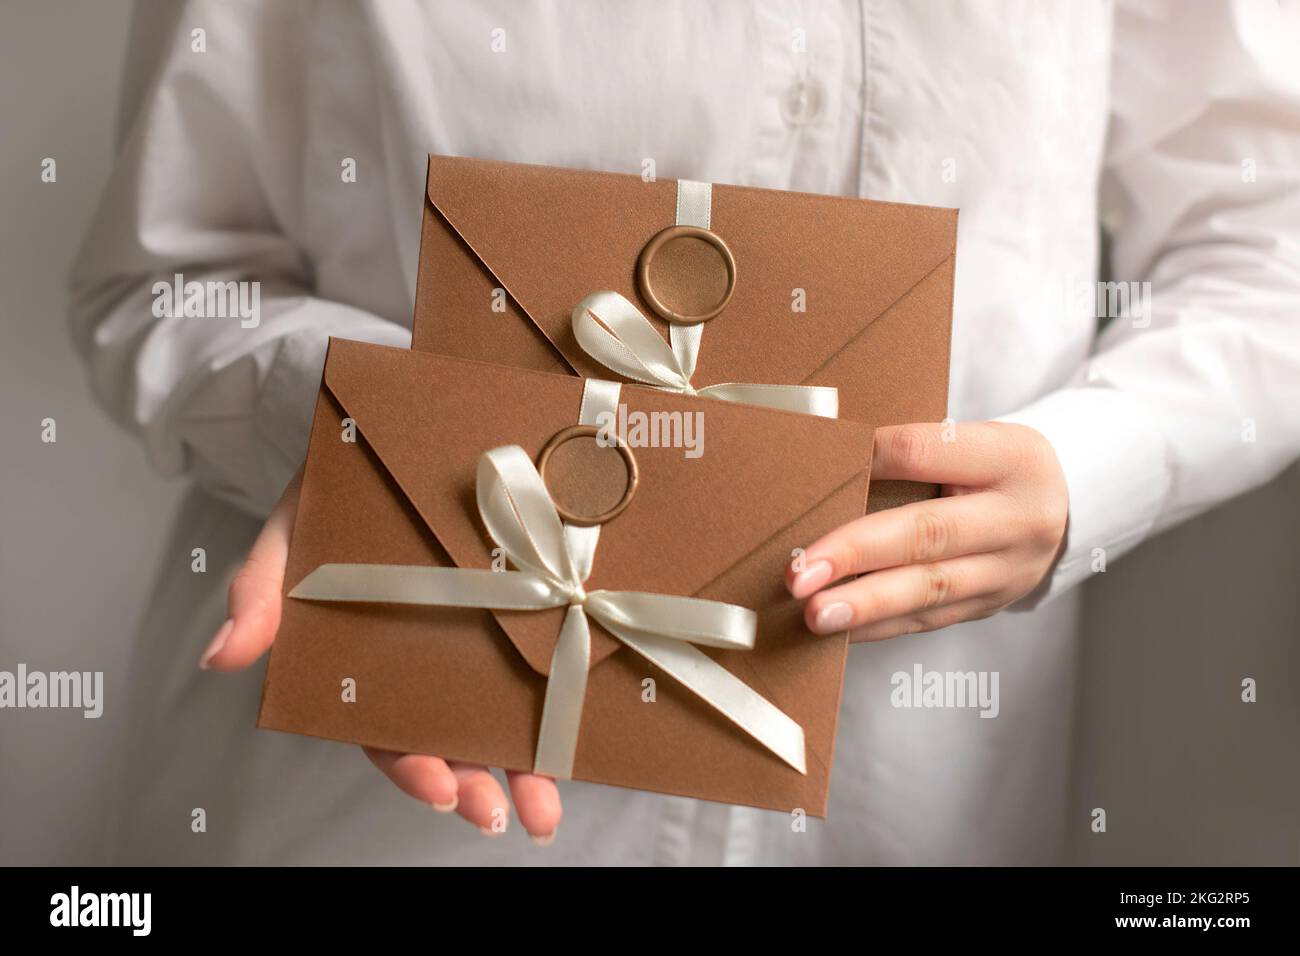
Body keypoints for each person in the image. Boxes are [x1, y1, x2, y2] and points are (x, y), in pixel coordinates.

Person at [70, 0, 1300, 865]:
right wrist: (371, 444)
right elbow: (167, 282)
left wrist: (1095, 469)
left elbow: (1269, 236)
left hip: (916, 789)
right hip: (396, 807)